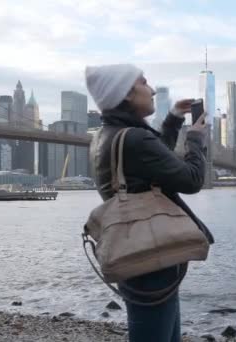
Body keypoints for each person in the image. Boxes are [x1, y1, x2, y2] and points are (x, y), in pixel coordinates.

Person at [85, 64, 214, 342]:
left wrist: (174, 119)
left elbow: (155, 161)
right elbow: (191, 180)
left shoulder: (105, 136)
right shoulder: (133, 138)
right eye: (144, 83)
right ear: (127, 94)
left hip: (133, 246)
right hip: (153, 255)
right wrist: (195, 141)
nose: (152, 89)